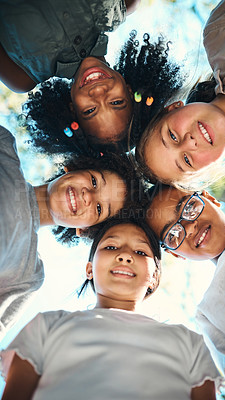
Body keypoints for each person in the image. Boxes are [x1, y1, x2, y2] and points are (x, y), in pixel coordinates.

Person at [0, 217, 221, 400]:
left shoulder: (192, 344)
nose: (125, 255)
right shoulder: (46, 325)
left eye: (141, 252)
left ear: (155, 277)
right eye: (111, 247)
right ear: (89, 269)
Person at [0, 125, 142, 340]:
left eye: (99, 208)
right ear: (74, 167)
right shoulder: (4, 146)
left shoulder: (28, 275)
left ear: (85, 229)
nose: (88, 196)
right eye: (94, 181)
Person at [0, 0, 184, 153]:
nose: (99, 92)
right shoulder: (124, 4)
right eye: (116, 102)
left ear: (72, 110)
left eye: (90, 111)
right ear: (129, 89)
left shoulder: (22, 75)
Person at [146, 184, 225, 399]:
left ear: (209, 197)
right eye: (173, 235)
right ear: (176, 254)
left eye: (189, 208)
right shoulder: (208, 313)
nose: (190, 227)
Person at [135, 0, 225, 189]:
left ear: (173, 108)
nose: (189, 142)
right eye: (187, 160)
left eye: (172, 136)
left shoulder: (223, 34)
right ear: (205, 169)